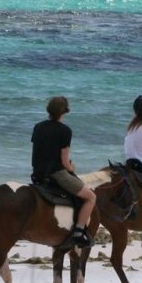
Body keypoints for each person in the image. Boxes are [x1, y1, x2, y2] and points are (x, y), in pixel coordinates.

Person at [31, 96, 96, 247]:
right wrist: (72, 168)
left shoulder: (38, 126)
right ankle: (79, 231)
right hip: (56, 174)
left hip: (38, 172)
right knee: (91, 197)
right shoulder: (65, 130)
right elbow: (65, 162)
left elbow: (37, 151)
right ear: (64, 112)